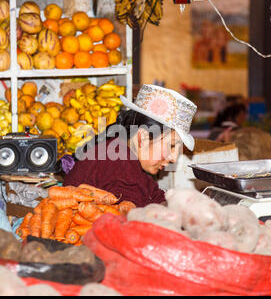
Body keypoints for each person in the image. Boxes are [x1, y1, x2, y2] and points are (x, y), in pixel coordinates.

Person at [63, 84, 197, 207]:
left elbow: (154, 195)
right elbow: (132, 214)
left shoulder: (127, 158)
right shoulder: (120, 164)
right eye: (172, 145)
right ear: (143, 137)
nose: (174, 158)